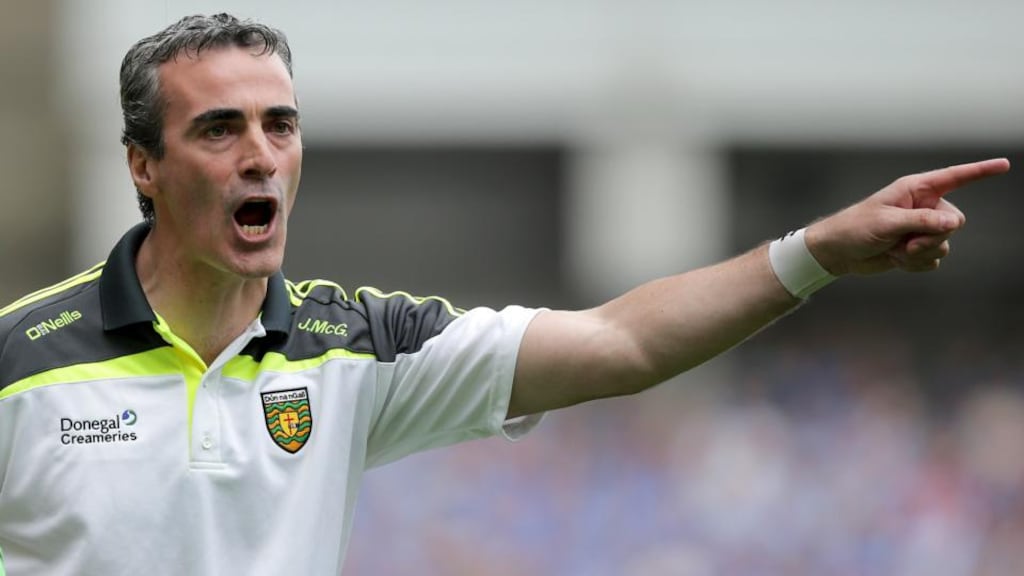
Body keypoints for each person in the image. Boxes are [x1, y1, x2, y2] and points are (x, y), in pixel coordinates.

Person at [0, 12, 1010, 576]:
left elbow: (621, 344)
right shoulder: (20, 360)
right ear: (142, 164)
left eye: (281, 125)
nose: (261, 156)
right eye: (219, 130)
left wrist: (818, 250)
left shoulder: (354, 348)